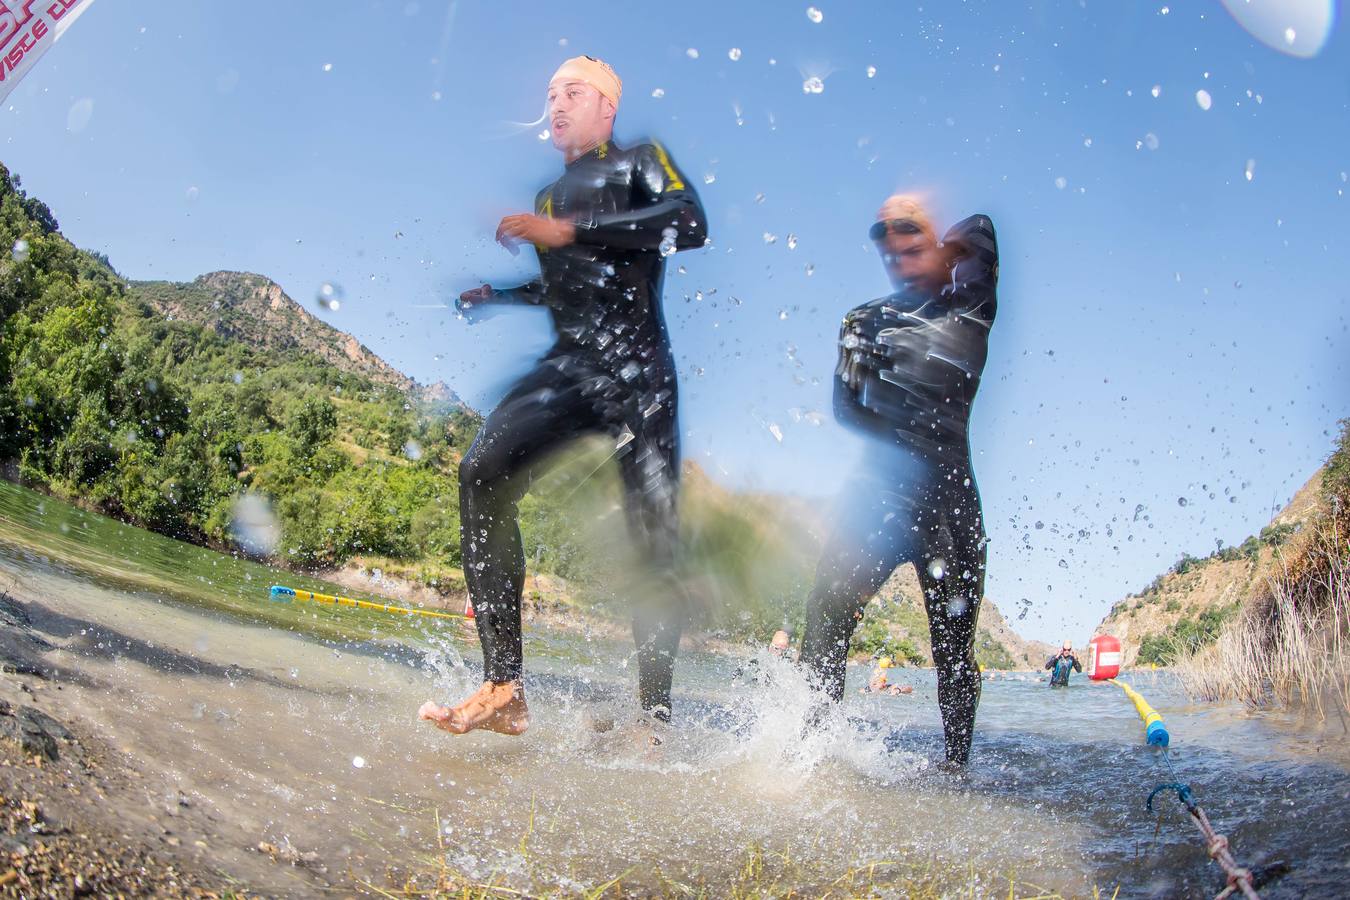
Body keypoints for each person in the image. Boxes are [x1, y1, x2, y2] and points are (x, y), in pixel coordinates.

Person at [418, 56, 708, 736]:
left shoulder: (640, 161)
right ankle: (504, 687)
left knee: (651, 547)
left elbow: (689, 224)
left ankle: (653, 722)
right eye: (551, 94)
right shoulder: (548, 195)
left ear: (607, 106)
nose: (556, 104)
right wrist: (499, 294)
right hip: (571, 368)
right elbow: (566, 286)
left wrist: (571, 232)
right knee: (481, 473)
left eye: (573, 92)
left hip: (638, 376)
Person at [798, 194, 998, 767]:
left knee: (953, 649)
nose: (894, 248)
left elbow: (982, 231)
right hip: (877, 499)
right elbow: (844, 408)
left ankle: (956, 770)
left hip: (949, 503)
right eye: (884, 240)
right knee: (825, 617)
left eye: (909, 235)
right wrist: (896, 426)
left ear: (940, 243)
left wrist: (929, 233)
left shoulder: (969, 307)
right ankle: (812, 756)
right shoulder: (863, 321)